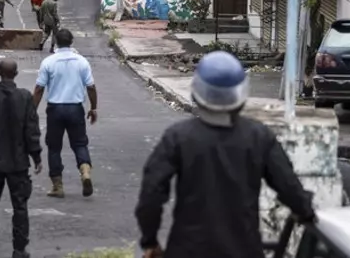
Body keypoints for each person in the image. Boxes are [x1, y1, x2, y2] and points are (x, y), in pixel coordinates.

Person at [135, 51, 316, 258]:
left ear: (197, 91)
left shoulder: (178, 137)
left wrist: (149, 241)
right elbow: (289, 186)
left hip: (188, 249)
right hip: (244, 250)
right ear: (240, 93)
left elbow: (151, 191)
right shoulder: (259, 137)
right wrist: (306, 212)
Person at [0, 59, 42, 258]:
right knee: (20, 207)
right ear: (16, 73)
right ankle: (19, 249)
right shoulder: (24, 98)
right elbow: (31, 130)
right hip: (18, 161)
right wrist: (36, 156)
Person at [33, 29, 97, 199]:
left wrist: (32, 111)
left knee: (54, 147)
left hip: (55, 109)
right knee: (80, 143)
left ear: (55, 41)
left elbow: (39, 88)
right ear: (71, 42)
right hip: (76, 108)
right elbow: (91, 87)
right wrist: (93, 108)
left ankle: (57, 186)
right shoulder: (82, 62)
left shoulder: (49, 62)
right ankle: (85, 171)